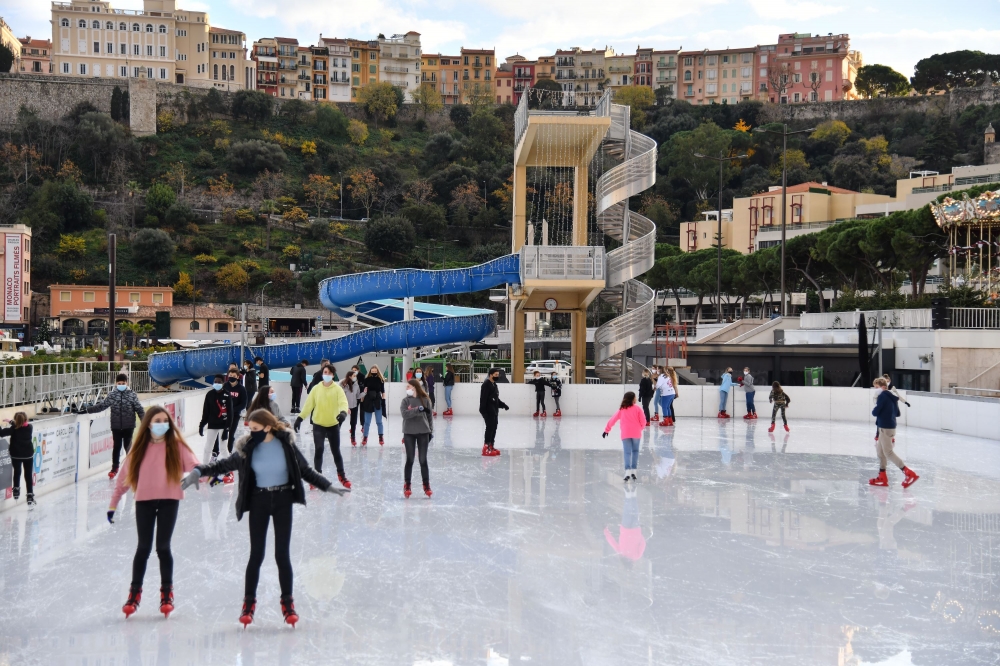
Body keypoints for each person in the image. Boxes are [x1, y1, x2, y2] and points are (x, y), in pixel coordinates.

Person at [183, 409, 347, 627]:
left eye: (256, 429)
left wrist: (327, 486)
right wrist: (199, 471)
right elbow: (222, 465)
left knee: (282, 555)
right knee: (256, 555)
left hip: (282, 501)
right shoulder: (248, 448)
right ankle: (248, 604)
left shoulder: (286, 445)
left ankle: (288, 604)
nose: (252, 433)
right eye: (250, 429)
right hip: (258, 501)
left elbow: (305, 470)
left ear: (268, 427)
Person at [108, 406, 199, 619]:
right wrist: (113, 503)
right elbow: (122, 479)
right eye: (157, 421)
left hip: (169, 500)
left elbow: (195, 465)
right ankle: (134, 594)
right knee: (143, 548)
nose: (161, 424)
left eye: (165, 421)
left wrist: (203, 475)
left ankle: (167, 594)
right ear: (148, 423)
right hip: (144, 502)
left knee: (163, 547)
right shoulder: (139, 449)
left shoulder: (175, 446)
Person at [294, 365, 350, 489]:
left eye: (329, 373)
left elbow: (343, 402)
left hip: (333, 425)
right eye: (325, 372)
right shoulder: (316, 389)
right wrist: (300, 418)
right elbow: (308, 405)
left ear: (333, 375)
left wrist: (343, 413)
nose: (327, 374)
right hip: (318, 424)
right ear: (322, 373)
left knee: (336, 451)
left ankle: (342, 476)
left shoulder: (337, 389)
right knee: (319, 450)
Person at [86, 373, 145, 479]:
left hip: (128, 425)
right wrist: (86, 410)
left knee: (128, 447)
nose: (121, 385)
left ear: (127, 383)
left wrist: (145, 422)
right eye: (119, 383)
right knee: (116, 447)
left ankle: (132, 468)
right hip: (116, 426)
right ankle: (115, 468)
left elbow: (139, 409)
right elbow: (102, 406)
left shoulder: (132, 394)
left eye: (123, 383)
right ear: (116, 383)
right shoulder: (112, 395)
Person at [869, 377, 919, 488]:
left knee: (888, 453)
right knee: (880, 453)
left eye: (876, 387)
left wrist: (878, 408)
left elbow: (875, 412)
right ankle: (882, 477)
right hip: (888, 427)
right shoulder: (892, 397)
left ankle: (908, 473)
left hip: (885, 428)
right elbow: (897, 413)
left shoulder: (882, 396)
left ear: (883, 387)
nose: (875, 389)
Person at [603, 391, 648, 482]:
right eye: (635, 397)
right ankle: (634, 471)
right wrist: (640, 428)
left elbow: (613, 419)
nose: (636, 399)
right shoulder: (638, 409)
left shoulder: (622, 409)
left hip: (625, 433)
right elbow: (643, 421)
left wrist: (606, 430)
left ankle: (627, 471)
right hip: (636, 433)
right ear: (632, 399)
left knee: (627, 452)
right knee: (635, 451)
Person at [400, 378, 434, 498]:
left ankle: (426, 485)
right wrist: (417, 410)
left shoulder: (425, 400)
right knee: (410, 459)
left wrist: (430, 431)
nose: (406, 389)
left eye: (408, 387)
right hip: (409, 433)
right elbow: (404, 414)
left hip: (423, 432)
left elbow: (429, 416)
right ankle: (407, 484)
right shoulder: (405, 401)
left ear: (414, 387)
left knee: (423, 460)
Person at [199, 374, 234, 483]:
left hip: (223, 425)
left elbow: (230, 414)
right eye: (215, 382)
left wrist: (227, 430)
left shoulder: (227, 395)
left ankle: (229, 471)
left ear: (223, 383)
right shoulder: (209, 394)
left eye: (219, 382)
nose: (217, 383)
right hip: (212, 425)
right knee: (207, 448)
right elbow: (206, 411)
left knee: (223, 448)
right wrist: (202, 424)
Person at [2, 413, 34, 505]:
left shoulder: (13, 430)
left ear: (16, 420)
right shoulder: (30, 428)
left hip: (16, 455)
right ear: (26, 419)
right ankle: (30, 494)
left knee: (17, 471)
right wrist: (11, 422)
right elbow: (19, 425)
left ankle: (16, 489)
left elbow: (2, 433)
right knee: (28, 475)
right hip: (28, 455)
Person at [479, 368, 509, 456]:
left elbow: (495, 399)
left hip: (494, 411)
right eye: (496, 375)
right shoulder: (486, 385)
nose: (497, 376)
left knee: (494, 428)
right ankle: (486, 447)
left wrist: (503, 405)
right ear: (491, 375)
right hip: (488, 410)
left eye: (498, 375)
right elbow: (483, 399)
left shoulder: (494, 385)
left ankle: (491, 445)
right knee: (489, 428)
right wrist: (483, 411)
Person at [222, 368, 249, 465]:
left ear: (238, 377)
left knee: (231, 434)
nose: (231, 378)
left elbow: (243, 403)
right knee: (222, 433)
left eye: (233, 376)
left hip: (235, 415)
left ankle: (228, 452)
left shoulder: (241, 389)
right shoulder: (225, 386)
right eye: (230, 376)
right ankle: (219, 452)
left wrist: (233, 410)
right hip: (224, 415)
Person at [360, 366, 386, 446]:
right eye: (373, 371)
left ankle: (381, 436)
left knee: (379, 421)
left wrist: (383, 401)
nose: (374, 372)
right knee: (367, 422)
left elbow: (383, 391)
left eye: (375, 371)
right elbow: (363, 390)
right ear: (370, 371)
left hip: (378, 400)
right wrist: (362, 400)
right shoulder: (366, 380)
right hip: (368, 400)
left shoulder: (380, 380)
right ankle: (365, 437)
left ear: (377, 371)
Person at [340, 370, 361, 446]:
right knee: (341, 419)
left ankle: (353, 436)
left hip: (354, 406)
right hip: (345, 405)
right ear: (349, 376)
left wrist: (364, 393)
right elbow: (340, 395)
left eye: (355, 376)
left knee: (353, 422)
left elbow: (358, 396)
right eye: (354, 376)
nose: (355, 377)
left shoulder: (356, 385)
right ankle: (335, 433)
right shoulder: (343, 384)